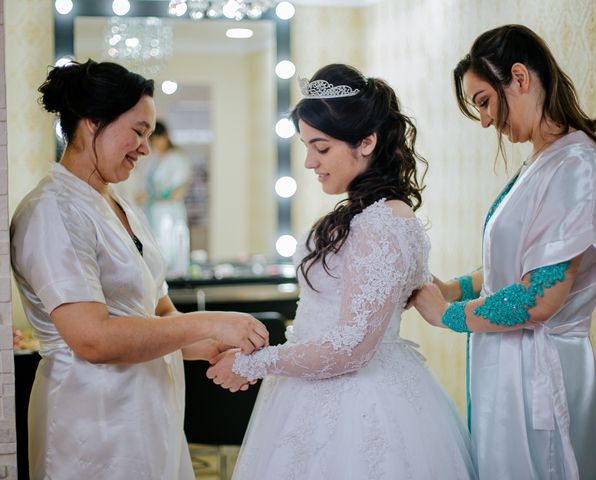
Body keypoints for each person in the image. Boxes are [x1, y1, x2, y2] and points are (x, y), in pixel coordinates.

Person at [207, 64, 476, 479]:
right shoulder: (369, 215)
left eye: (322, 147)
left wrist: (252, 364)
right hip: (316, 386)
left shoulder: (381, 224)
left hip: (358, 400)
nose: (310, 161)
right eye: (306, 146)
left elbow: (351, 346)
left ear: (367, 141)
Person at [10, 59, 269, 480]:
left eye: (148, 135)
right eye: (138, 132)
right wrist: (212, 322)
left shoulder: (120, 206)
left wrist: (215, 347)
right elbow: (92, 339)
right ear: (93, 123)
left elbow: (159, 316)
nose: (146, 148)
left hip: (152, 418)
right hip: (93, 426)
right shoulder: (52, 212)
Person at [410, 25, 596, 479]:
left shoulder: (577, 167)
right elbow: (513, 264)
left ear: (520, 78)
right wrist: (451, 288)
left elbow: (540, 296)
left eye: (484, 101)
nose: (486, 121)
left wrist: (447, 315)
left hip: (539, 376)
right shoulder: (543, 163)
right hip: (508, 367)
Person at [145, 121, 192, 278]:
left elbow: (177, 192)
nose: (155, 144)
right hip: (154, 212)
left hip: (169, 212)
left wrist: (153, 197)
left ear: (165, 137)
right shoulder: (155, 159)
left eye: (157, 139)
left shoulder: (177, 159)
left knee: (171, 247)